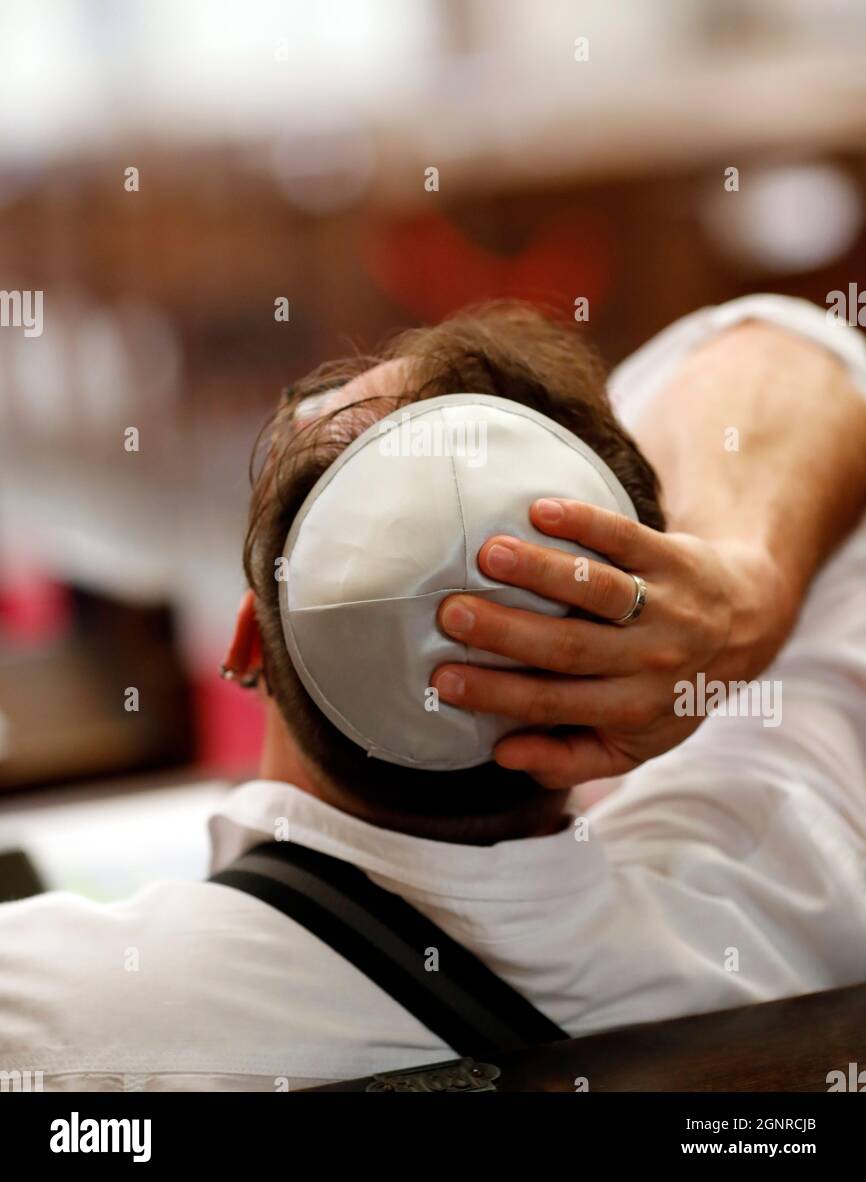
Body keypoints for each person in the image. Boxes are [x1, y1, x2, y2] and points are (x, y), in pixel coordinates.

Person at [1, 294, 865, 1091]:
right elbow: (798, 349)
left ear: (245, 643)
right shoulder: (786, 891)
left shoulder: (49, 1013)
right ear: (639, 660)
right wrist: (745, 583)